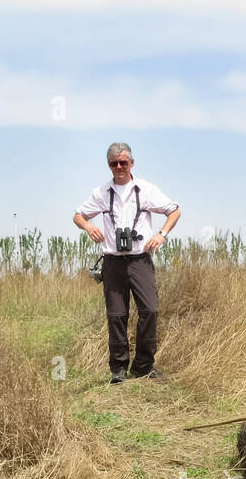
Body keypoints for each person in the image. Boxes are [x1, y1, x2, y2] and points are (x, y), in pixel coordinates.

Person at [73, 143, 181, 383]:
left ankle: (143, 366)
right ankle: (118, 370)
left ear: (132, 163)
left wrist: (161, 234)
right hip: (112, 262)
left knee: (150, 310)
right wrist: (89, 226)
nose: (119, 167)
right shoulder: (101, 193)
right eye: (114, 163)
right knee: (116, 315)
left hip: (140, 260)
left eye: (123, 162)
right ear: (109, 166)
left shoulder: (146, 190)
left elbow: (174, 211)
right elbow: (77, 215)